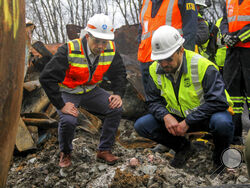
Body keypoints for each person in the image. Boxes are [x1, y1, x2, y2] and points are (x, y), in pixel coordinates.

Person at [134, 25, 234, 169]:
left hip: (206, 117)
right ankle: (184, 148)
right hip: (178, 118)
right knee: (142, 125)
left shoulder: (203, 66)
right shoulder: (154, 70)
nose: (164, 64)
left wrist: (188, 121)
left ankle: (219, 158)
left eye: (168, 59)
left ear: (180, 50)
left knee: (222, 123)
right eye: (160, 59)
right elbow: (153, 100)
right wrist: (166, 117)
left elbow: (218, 101)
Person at [39, 14, 127, 167]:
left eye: (104, 42)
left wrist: (118, 94)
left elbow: (119, 73)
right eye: (97, 41)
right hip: (68, 92)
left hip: (91, 91)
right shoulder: (69, 49)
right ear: (87, 36)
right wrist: (61, 105)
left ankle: (104, 150)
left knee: (116, 108)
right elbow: (46, 78)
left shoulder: (111, 50)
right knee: (68, 120)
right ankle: (65, 152)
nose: (100, 46)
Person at [137, 0, 197, 92]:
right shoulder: (146, 2)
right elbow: (142, 31)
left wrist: (183, 61)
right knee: (152, 100)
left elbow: (190, 31)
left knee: (174, 98)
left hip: (170, 60)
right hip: (146, 60)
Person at [220, 0, 250, 145]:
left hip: (248, 49)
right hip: (232, 52)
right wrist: (225, 35)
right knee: (232, 96)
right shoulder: (228, 1)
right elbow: (224, 21)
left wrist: (239, 37)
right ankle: (235, 137)